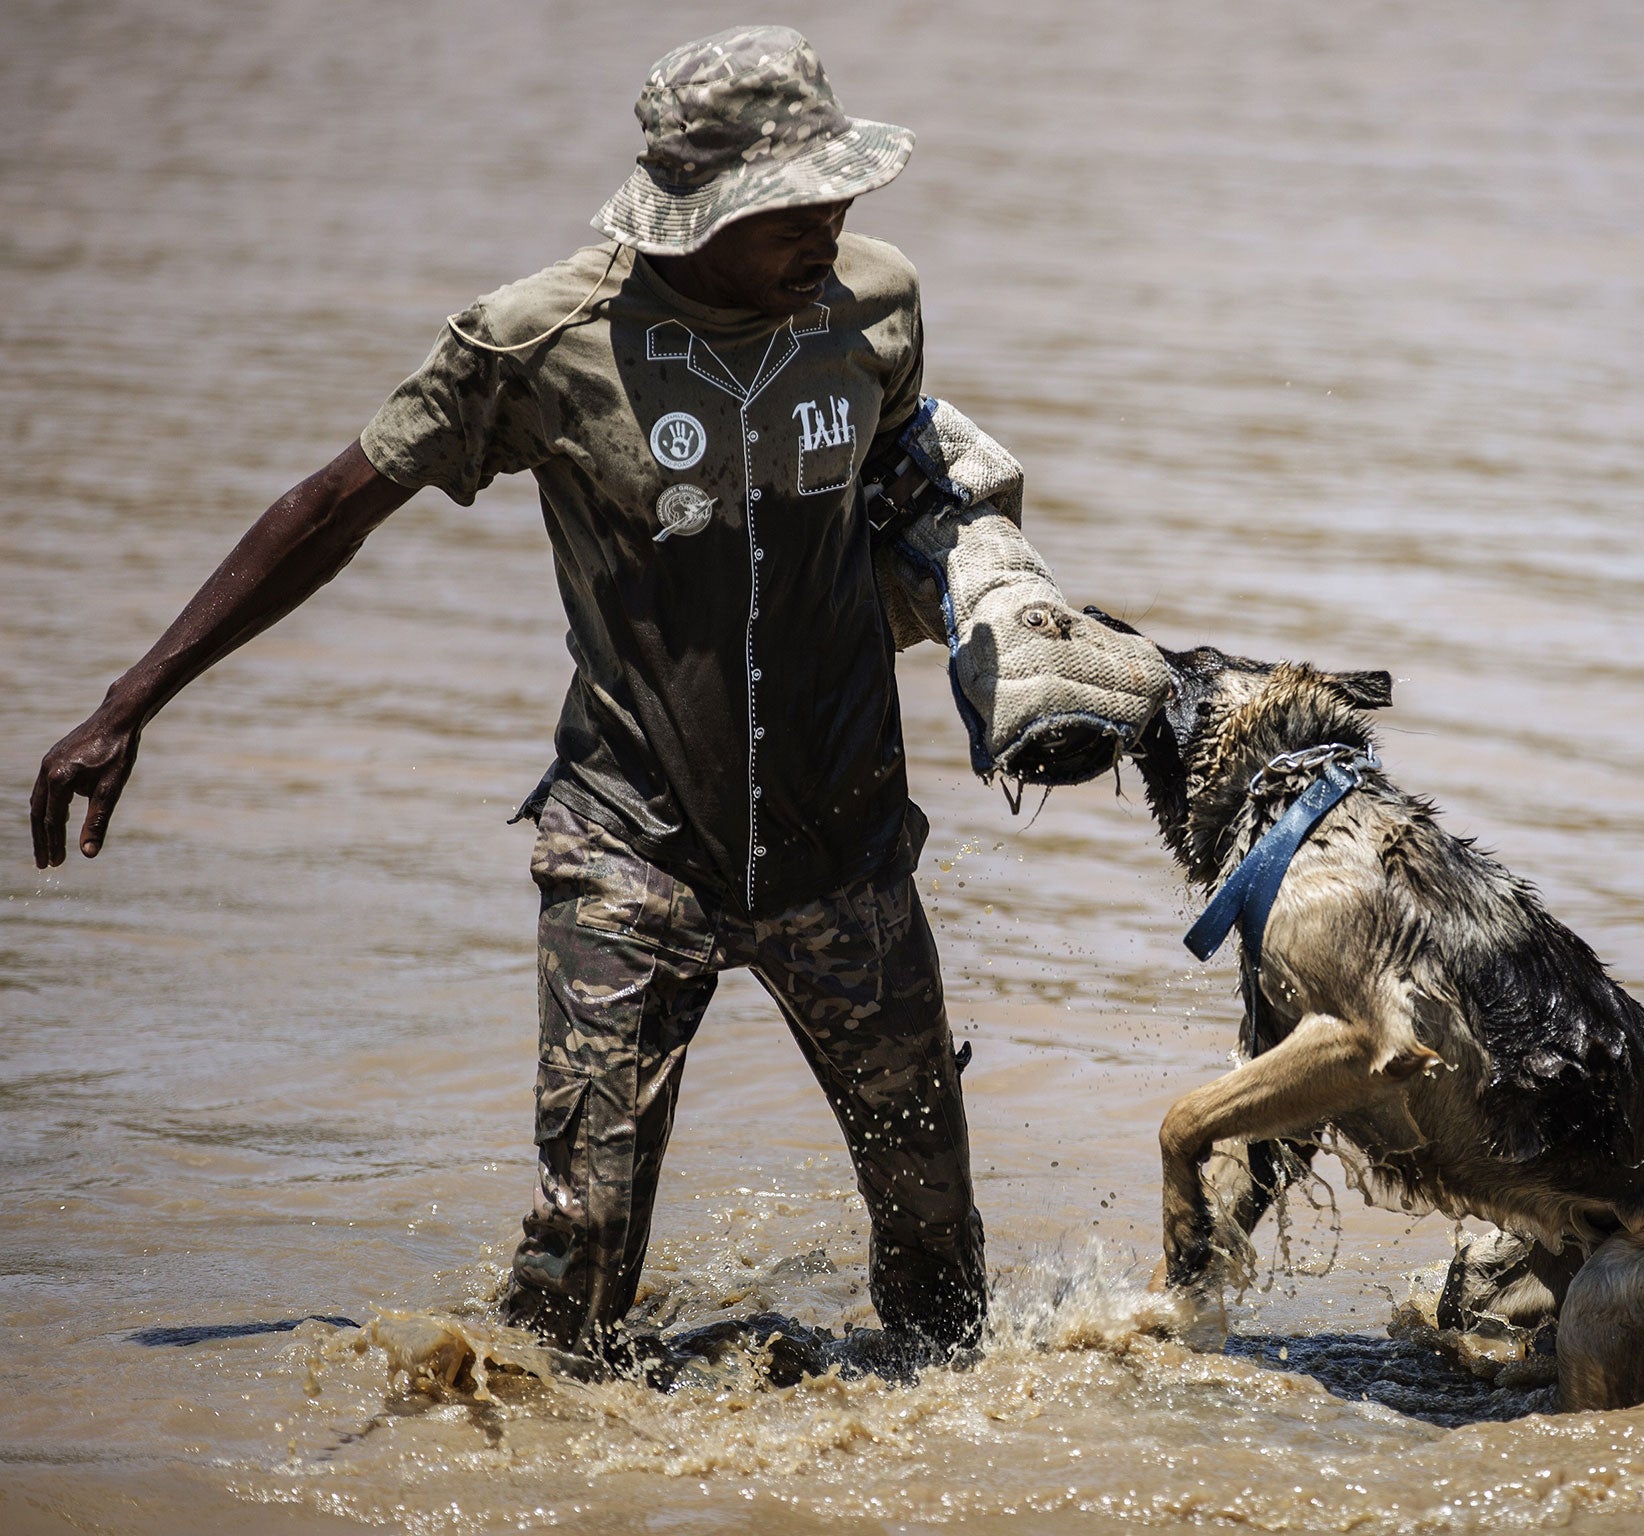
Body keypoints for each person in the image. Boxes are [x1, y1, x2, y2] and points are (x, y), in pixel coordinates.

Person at [31, 26, 986, 1360]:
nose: (831, 220)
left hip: (848, 847)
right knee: (575, 1268)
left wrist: (1005, 610)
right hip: (633, 845)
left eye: (842, 191)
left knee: (941, 1258)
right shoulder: (545, 339)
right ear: (708, 210)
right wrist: (131, 700)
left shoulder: (870, 303)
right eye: (797, 204)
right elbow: (333, 508)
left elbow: (908, 494)